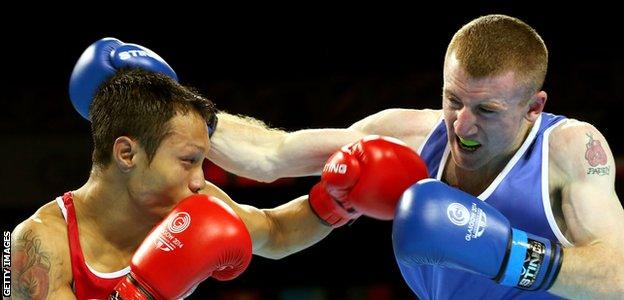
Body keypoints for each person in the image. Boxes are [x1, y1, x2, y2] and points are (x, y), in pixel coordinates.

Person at [201, 14, 623, 299]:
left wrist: (507, 255)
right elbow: (270, 155)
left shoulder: (568, 150)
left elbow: (619, 275)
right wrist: (176, 106)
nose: (461, 125)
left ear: (533, 107)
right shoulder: (407, 136)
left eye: (486, 111)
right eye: (453, 99)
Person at [11, 38, 428, 299]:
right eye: (189, 161)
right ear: (126, 154)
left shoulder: (191, 204)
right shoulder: (34, 244)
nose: (201, 180)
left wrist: (336, 200)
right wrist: (141, 293)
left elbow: (278, 232)